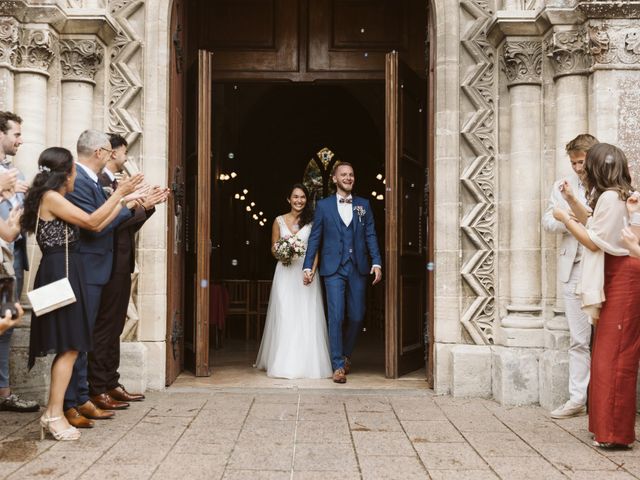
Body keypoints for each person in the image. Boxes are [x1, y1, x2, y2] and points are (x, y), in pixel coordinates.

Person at [21, 147, 142, 441]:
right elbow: (90, 222)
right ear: (65, 174)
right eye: (74, 171)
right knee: (70, 344)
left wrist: (123, 198)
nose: (76, 176)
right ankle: (53, 414)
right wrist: (119, 194)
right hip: (59, 274)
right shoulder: (51, 198)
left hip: (66, 271)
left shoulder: (54, 198)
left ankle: (55, 411)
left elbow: (98, 222)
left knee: (71, 344)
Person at [553, 143, 640, 449]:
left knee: (614, 356)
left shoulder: (612, 197)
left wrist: (566, 219)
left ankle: (615, 434)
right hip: (616, 275)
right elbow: (595, 222)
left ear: (599, 168)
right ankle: (606, 428)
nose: (584, 169)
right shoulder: (613, 196)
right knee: (606, 354)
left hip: (624, 277)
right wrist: (572, 200)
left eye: (587, 164)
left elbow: (593, 241)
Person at [63, 130, 145, 429]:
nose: (114, 156)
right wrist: (126, 200)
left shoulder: (91, 181)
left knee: (86, 336)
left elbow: (105, 217)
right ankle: (73, 400)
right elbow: (96, 224)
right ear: (100, 152)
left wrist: (132, 202)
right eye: (110, 151)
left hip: (100, 266)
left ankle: (82, 396)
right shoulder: (79, 181)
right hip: (87, 266)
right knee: (79, 337)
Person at [88, 133, 168, 407]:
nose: (125, 158)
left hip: (120, 262)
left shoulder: (115, 184)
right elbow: (104, 224)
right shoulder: (99, 183)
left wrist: (147, 207)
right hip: (105, 264)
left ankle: (111, 382)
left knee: (115, 326)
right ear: (111, 153)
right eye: (124, 153)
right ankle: (98, 386)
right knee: (105, 326)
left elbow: (126, 226)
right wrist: (139, 204)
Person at [303, 162, 382, 383]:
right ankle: (337, 365)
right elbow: (315, 238)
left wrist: (377, 262)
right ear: (335, 179)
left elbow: (371, 236)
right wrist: (308, 266)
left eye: (351, 174)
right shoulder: (324, 206)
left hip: (357, 266)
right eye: (344, 175)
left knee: (357, 316)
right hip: (332, 268)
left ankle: (346, 354)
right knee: (336, 316)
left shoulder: (363, 205)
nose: (348, 177)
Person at [542, 133, 598, 419]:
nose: (577, 168)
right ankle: (577, 398)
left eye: (581, 162)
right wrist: (568, 221)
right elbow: (548, 220)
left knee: (605, 337)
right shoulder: (561, 186)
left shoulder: (606, 185)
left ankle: (602, 398)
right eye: (573, 163)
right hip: (573, 268)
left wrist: (573, 213)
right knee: (578, 338)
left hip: (601, 267)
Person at [255, 183, 332, 379]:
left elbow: (315, 250)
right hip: (285, 272)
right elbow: (273, 248)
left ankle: (307, 364)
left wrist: (312, 271)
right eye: (295, 197)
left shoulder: (313, 221)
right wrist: (283, 250)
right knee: (285, 313)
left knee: (306, 315)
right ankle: (283, 362)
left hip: (305, 274)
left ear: (307, 200)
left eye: (302, 197)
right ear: (288, 199)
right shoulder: (278, 221)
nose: (299, 200)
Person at [0, 111, 38, 413]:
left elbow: (21, 220)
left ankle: (4, 391)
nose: (20, 140)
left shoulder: (18, 174)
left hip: (14, 256)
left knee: (7, 323)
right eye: (16, 134)